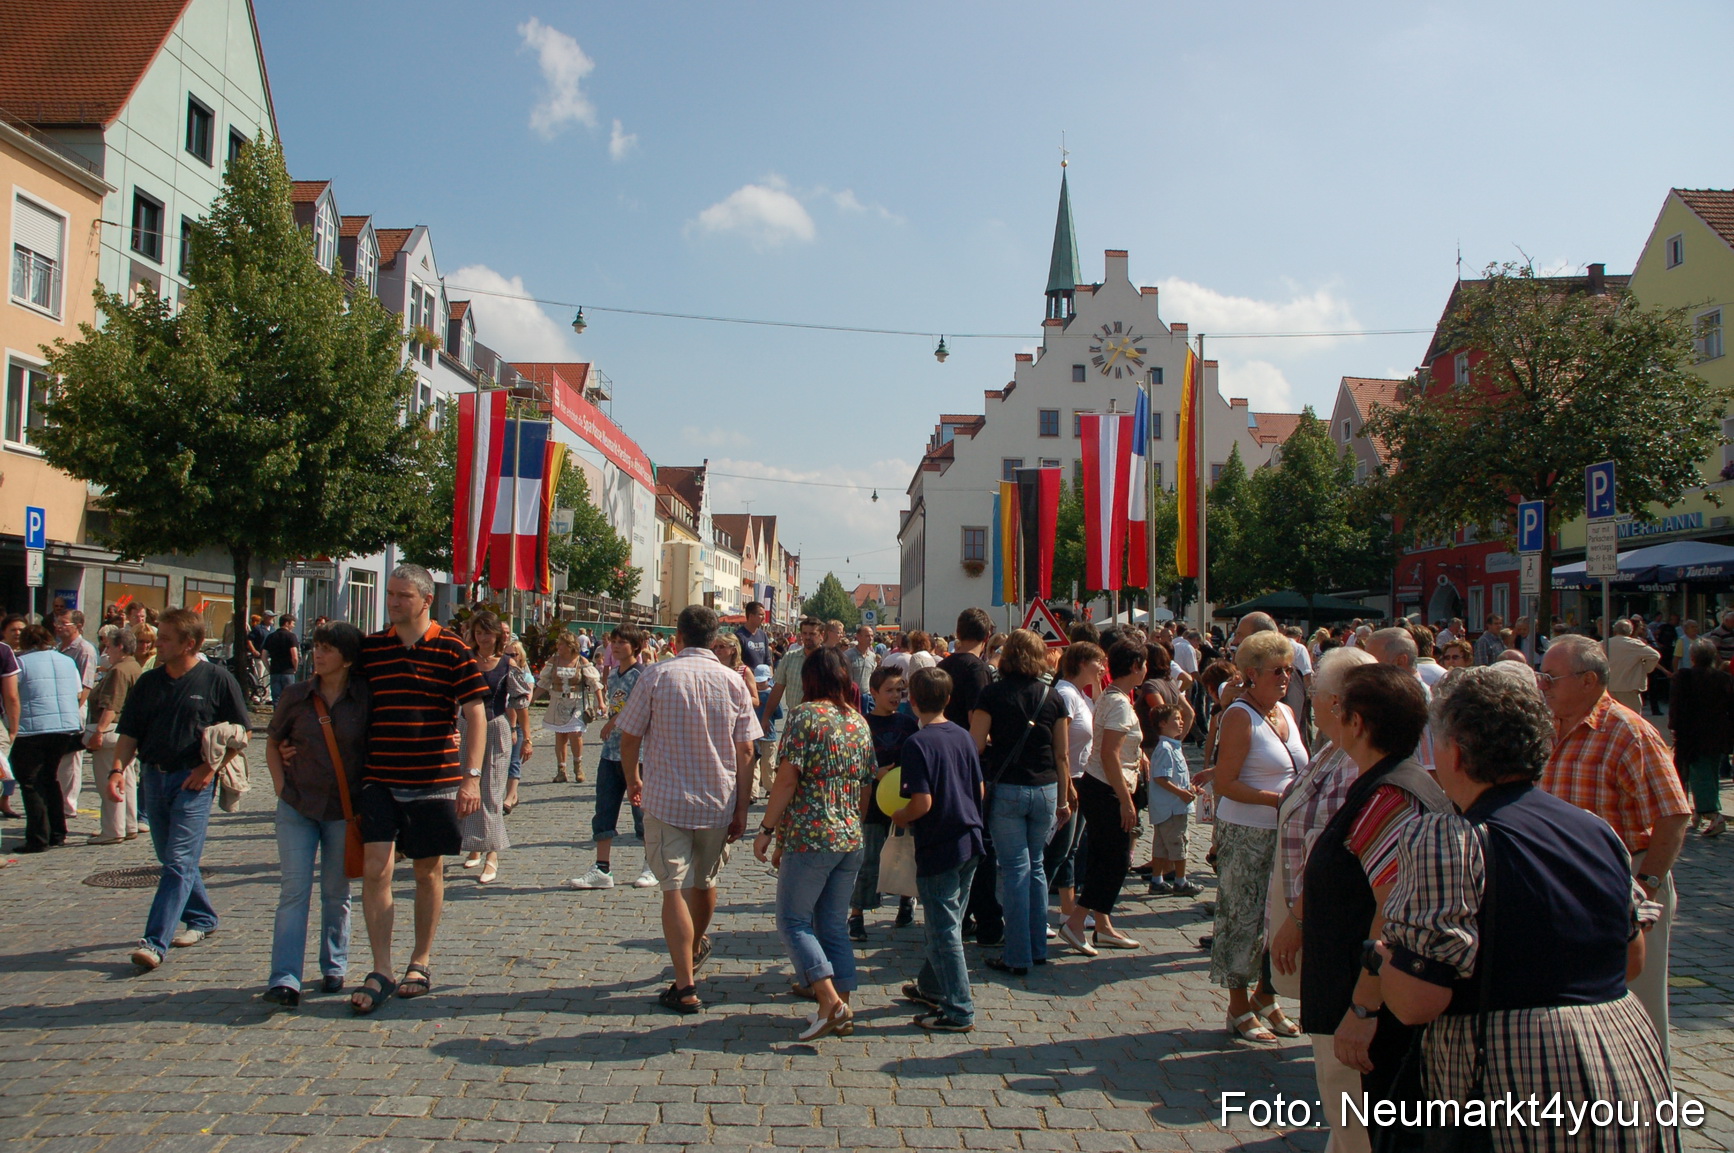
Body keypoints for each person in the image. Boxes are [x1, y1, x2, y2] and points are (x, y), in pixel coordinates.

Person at [1378, 665, 1675, 1152]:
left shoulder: (1450, 838)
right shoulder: (1592, 829)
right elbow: (1630, 957)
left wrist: (1385, 959)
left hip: (1519, 1071)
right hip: (1623, 1059)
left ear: (1456, 752)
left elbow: (1416, 1001)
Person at [1297, 664, 1450, 1143]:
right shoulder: (1385, 782)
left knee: (1360, 1132)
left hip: (1365, 1010)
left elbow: (1394, 916)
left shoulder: (1390, 797)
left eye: (1339, 708)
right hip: (1351, 995)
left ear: (1358, 722)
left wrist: (1364, 1009)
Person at [1539, 632, 1691, 1065]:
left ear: (1588, 681)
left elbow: (1674, 814)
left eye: (1551, 677)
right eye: (1541, 676)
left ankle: (1650, 1097)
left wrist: (1648, 885)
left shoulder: (1629, 732)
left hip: (1623, 883)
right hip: (1566, 886)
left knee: (1639, 1008)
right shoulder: (1549, 727)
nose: (1542, 685)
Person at [348, 565, 488, 1012]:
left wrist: (471, 776)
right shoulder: (372, 649)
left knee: (428, 871)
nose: (393, 602)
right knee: (376, 869)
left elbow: (475, 713)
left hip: (433, 779)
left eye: (402, 595)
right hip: (380, 775)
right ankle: (381, 967)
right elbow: (342, 699)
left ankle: (420, 960)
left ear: (427, 600)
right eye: (390, 594)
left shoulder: (452, 649)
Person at [616, 605, 763, 1014]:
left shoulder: (655, 676)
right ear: (714, 639)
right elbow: (747, 750)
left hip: (666, 799)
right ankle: (694, 946)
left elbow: (629, 737)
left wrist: (633, 780)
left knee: (673, 888)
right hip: (718, 799)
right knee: (704, 880)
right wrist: (742, 806)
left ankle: (684, 985)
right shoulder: (733, 681)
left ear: (678, 637)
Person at [110, 610, 251, 969]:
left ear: (189, 643)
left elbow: (243, 732)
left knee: (178, 861)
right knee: (171, 858)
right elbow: (129, 732)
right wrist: (117, 770)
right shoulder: (149, 682)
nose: (156, 643)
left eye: (165, 638)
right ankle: (202, 917)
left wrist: (210, 768)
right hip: (153, 778)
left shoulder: (217, 679)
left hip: (193, 782)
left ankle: (154, 942)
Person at [754, 648, 876, 1040]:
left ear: (809, 679)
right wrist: (853, 823)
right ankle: (839, 1007)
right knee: (833, 925)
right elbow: (866, 784)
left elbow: (787, 778)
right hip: (850, 835)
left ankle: (830, 1000)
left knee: (793, 921)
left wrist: (768, 828)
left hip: (812, 834)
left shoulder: (804, 716)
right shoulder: (857, 720)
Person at [263, 621, 368, 1006]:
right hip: (298, 806)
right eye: (316, 647)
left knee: (337, 892)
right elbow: (273, 742)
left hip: (343, 809)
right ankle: (284, 977)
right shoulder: (296, 695)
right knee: (294, 891)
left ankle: (334, 965)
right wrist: (280, 786)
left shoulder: (364, 699)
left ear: (347, 659)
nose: (317, 655)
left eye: (327, 649)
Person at [1212, 629, 1305, 1043]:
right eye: (1276, 671)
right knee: (1242, 917)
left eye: (1289, 670)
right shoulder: (1239, 715)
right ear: (1252, 673)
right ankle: (1238, 1005)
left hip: (1285, 833)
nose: (1285, 678)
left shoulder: (1285, 712)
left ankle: (1266, 996)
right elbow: (1225, 783)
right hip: (1247, 831)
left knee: (1278, 919)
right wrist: (1276, 799)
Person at [967, 629, 1066, 976]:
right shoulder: (1053, 696)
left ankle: (1017, 953)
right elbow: (1062, 754)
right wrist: (1064, 798)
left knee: (1013, 871)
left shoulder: (992, 694)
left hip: (1008, 786)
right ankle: (1038, 947)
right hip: (1046, 787)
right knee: (1036, 866)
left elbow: (976, 744)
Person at [892, 666, 986, 1033]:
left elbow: (922, 803)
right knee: (950, 922)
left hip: (940, 844)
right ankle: (931, 986)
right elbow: (979, 789)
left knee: (943, 931)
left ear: (912, 701)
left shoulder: (917, 743)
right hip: (971, 838)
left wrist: (900, 816)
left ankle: (959, 1008)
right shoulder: (963, 735)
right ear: (948, 699)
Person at [1058, 640, 1147, 957]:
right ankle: (1076, 922)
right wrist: (1125, 800)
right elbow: (1110, 754)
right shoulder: (1119, 702)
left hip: (1099, 784)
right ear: (1135, 667)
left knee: (1100, 855)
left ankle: (1103, 925)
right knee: (1114, 860)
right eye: (1143, 665)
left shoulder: (1111, 695)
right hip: (1107, 787)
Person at [571, 626, 656, 890]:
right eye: (614, 642)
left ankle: (651, 864)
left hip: (637, 753)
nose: (616, 646)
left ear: (635, 646)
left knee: (642, 812)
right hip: (611, 752)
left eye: (622, 642)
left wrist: (614, 721)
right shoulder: (615, 674)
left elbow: (639, 707)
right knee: (604, 810)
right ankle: (602, 868)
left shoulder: (641, 675)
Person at [457, 612, 528, 885]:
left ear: (498, 635)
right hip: (466, 727)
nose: (483, 638)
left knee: (492, 791)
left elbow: (520, 701)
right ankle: (475, 844)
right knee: (468, 787)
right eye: (479, 633)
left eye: (488, 632)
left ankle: (492, 854)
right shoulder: (464, 661)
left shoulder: (507, 664)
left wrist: (522, 733)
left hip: (496, 727)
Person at [852, 664, 918, 940]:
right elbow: (854, 764)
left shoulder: (908, 723)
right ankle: (857, 913)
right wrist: (874, 773)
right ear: (874, 692)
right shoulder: (862, 723)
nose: (895, 696)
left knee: (907, 855)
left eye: (899, 690)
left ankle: (906, 901)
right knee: (869, 859)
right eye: (889, 690)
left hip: (905, 801)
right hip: (873, 802)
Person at [12, 625, 85, 853]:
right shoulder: (66, 661)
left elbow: (12, 694)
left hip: (32, 728)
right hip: (64, 727)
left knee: (30, 782)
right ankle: (57, 832)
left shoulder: (22, 663)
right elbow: (78, 691)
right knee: (50, 778)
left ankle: (38, 837)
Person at [1046, 642, 1103, 927]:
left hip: (1080, 777)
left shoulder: (1081, 694)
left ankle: (1068, 909)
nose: (1102, 667)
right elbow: (1060, 745)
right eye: (1098, 662)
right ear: (1082, 663)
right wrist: (1066, 785)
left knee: (1069, 850)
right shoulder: (1066, 694)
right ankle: (1035, 910)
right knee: (1055, 852)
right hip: (1068, 779)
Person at [84, 626, 143, 844]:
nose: (106, 650)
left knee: (109, 781)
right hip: (127, 732)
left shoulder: (119, 670)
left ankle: (112, 830)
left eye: (109, 646)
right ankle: (128, 825)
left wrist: (98, 731)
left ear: (120, 646)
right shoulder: (134, 666)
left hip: (112, 732)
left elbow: (111, 706)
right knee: (127, 780)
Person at [1668, 637, 1731, 838]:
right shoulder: (1722, 678)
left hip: (1691, 734)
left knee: (1697, 772)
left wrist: (1674, 727)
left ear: (1693, 657)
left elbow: (1676, 705)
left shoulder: (1684, 677)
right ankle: (1698, 813)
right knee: (1711, 772)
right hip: (1717, 732)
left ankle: (1712, 813)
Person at [533, 632, 603, 785]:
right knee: (560, 735)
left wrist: (601, 702)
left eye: (562, 644)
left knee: (576, 734)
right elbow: (544, 682)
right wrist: (532, 698)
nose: (558, 647)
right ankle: (561, 770)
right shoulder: (554, 661)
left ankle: (578, 767)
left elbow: (594, 683)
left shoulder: (581, 661)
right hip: (558, 701)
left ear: (570, 646)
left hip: (577, 702)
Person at [52, 608, 96, 822]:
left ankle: (69, 805)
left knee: (71, 759)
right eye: (57, 622)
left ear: (78, 626)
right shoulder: (57, 648)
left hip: (73, 709)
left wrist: (72, 710)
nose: (58, 627)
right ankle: (57, 801)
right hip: (57, 708)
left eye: (64, 623)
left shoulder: (84, 649)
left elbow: (86, 686)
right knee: (58, 759)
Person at [761, 617, 821, 734]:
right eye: (804, 633)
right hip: (795, 719)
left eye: (812, 634)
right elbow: (777, 689)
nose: (807, 637)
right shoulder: (790, 657)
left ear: (821, 635)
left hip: (820, 719)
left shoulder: (828, 659)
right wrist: (766, 717)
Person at [1606, 618, 1661, 714]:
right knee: (1632, 716)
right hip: (1629, 686)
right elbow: (1655, 655)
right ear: (1630, 631)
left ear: (1614, 630)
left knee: (1612, 716)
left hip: (1609, 686)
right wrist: (1647, 668)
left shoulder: (1604, 643)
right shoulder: (1634, 644)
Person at [263, 613, 300, 705]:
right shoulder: (291, 636)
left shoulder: (271, 636)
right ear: (287, 623)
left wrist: (269, 668)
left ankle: (277, 713)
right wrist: (295, 668)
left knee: (276, 699)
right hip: (288, 671)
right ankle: (287, 714)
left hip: (275, 671)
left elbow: (263, 656)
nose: (294, 626)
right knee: (289, 698)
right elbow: (294, 656)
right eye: (293, 623)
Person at [844, 625, 878, 704]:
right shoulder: (847, 655)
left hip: (867, 697)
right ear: (858, 637)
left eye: (872, 636)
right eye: (867, 636)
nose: (870, 638)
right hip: (851, 697)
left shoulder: (872, 656)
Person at [736, 601, 773, 671]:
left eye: (764, 615)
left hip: (763, 676)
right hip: (747, 676)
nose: (763, 618)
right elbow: (737, 661)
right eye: (761, 614)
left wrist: (770, 675)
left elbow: (768, 660)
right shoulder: (739, 636)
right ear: (751, 616)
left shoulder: (763, 635)